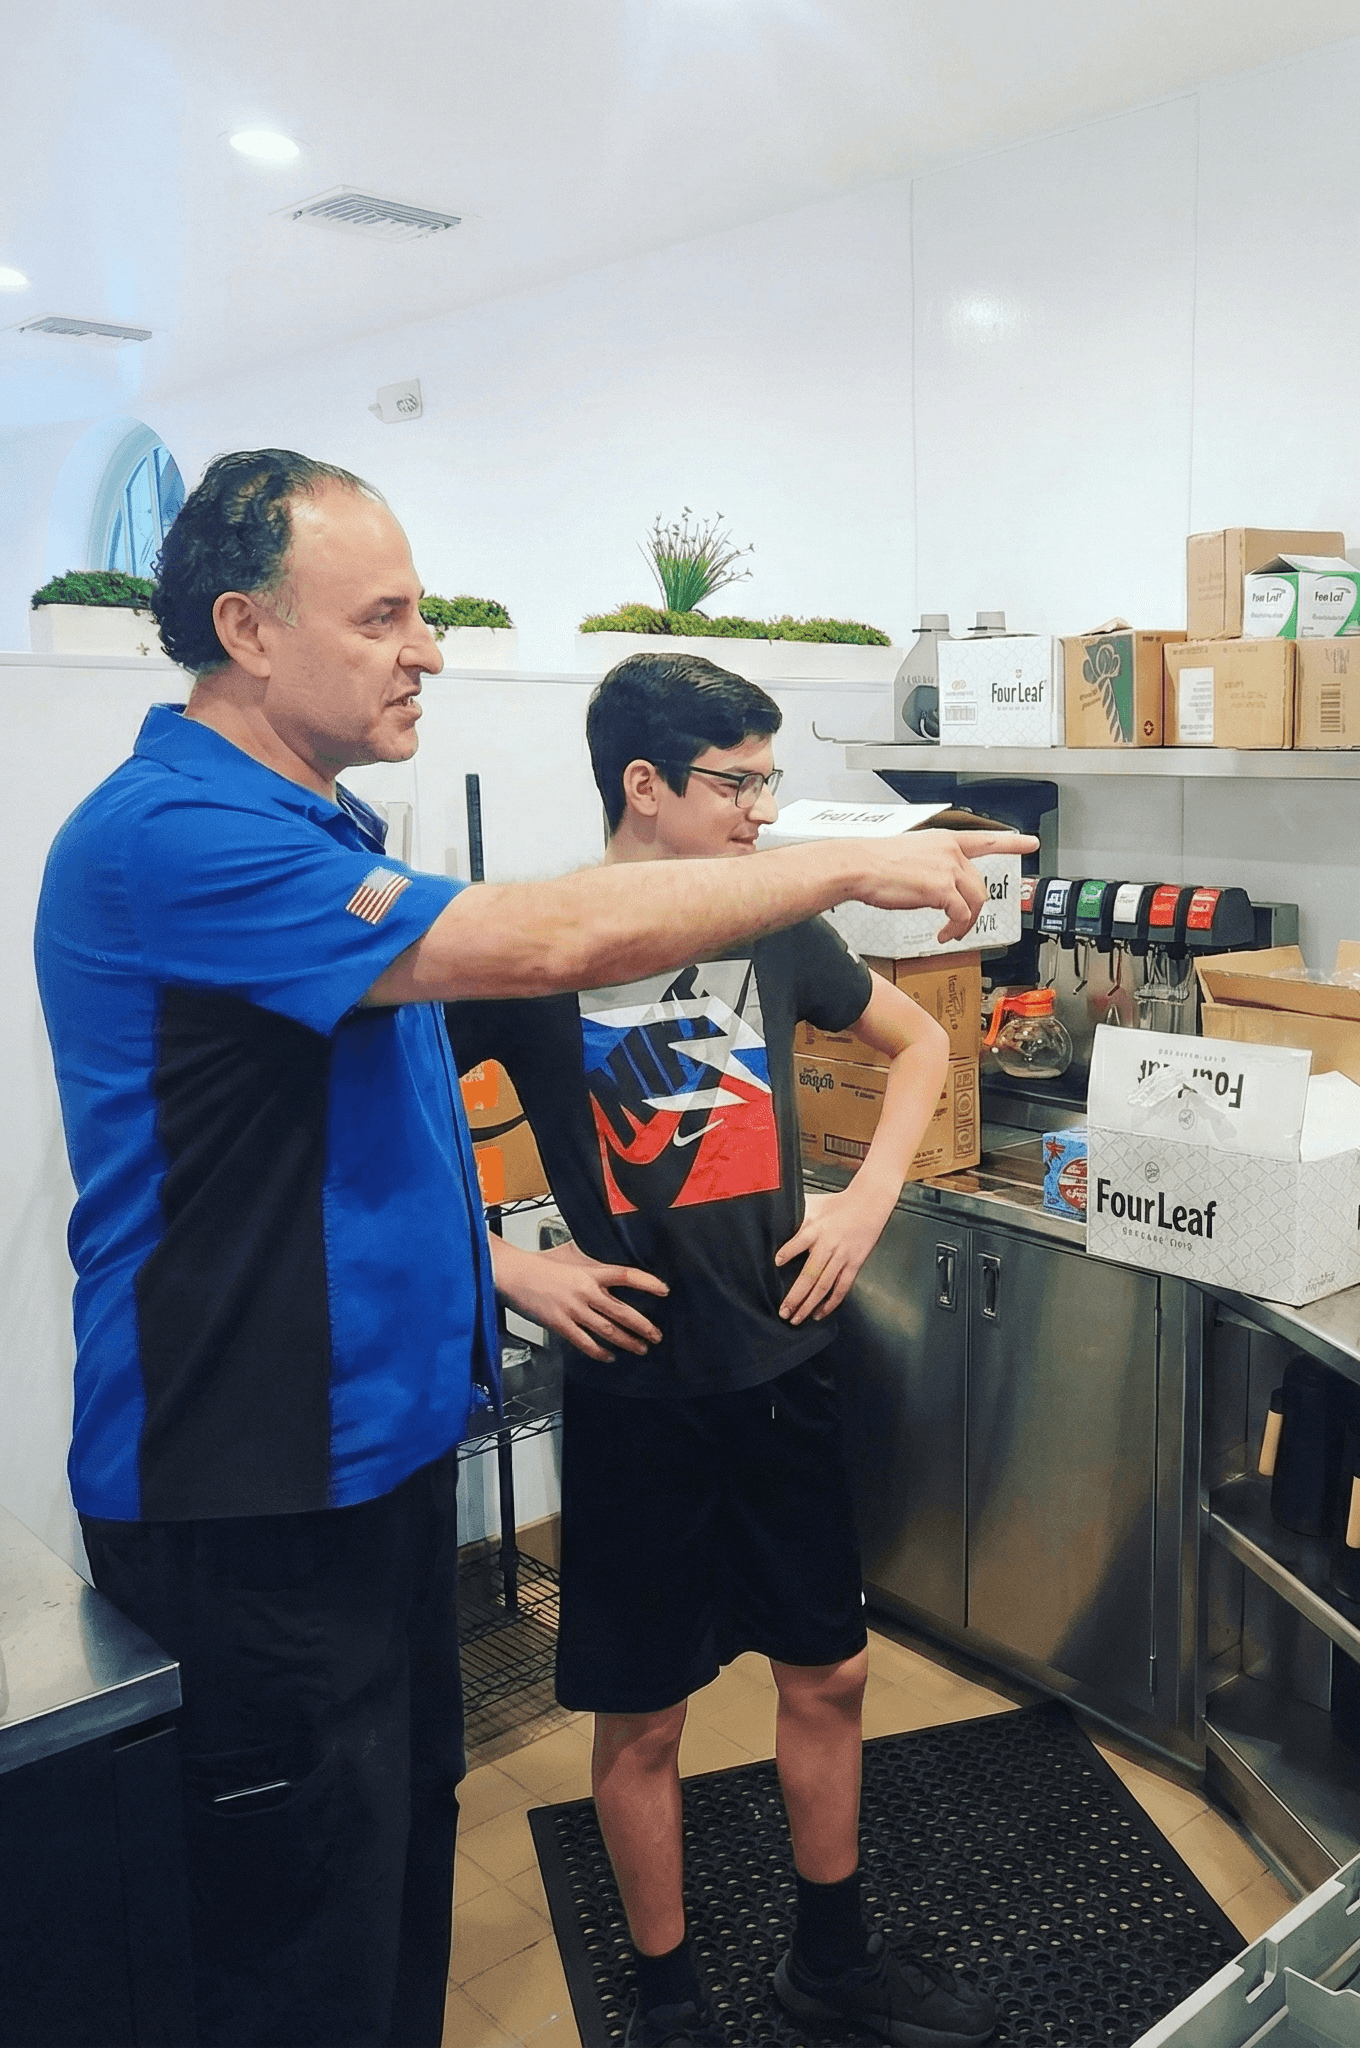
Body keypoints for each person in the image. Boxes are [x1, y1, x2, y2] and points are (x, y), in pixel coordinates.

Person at [32, 448, 1029, 2048]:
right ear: (248, 627)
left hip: (377, 1473)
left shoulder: (314, 816)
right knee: (304, 1954)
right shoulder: (184, 838)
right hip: (258, 1491)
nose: (431, 646)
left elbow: (399, 1128)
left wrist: (496, 1264)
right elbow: (554, 939)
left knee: (380, 1898)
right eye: (388, 615)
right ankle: (666, 1995)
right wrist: (844, 856)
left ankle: (825, 1963)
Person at [444, 653, 997, 2048]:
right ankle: (671, 1998)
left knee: (831, 1672)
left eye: (768, 779)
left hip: (787, 1366)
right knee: (644, 1720)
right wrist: (509, 1266)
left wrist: (865, 1203)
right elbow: (383, 1138)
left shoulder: (773, 933)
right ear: (645, 784)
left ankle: (830, 1958)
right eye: (737, 781)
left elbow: (920, 1043)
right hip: (637, 1390)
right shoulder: (536, 951)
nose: (763, 810)